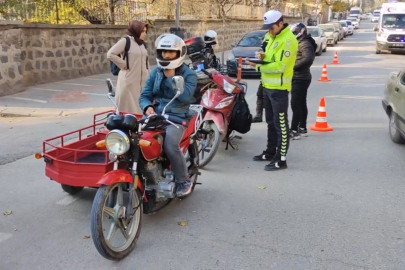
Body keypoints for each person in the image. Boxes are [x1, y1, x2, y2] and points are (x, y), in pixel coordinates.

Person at [139, 34, 197, 197]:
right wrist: (147, 107)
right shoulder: (155, 72)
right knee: (133, 137)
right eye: (163, 52)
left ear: (179, 53)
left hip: (177, 117)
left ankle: (183, 180)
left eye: (170, 52)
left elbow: (185, 97)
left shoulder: (188, 74)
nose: (166, 55)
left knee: (170, 145)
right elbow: (144, 95)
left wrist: (172, 77)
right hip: (156, 115)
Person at [245, 10, 298, 171]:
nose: (269, 30)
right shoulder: (270, 36)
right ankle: (269, 152)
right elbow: (269, 58)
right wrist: (261, 56)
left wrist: (258, 65)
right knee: (270, 122)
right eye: (267, 27)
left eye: (272, 27)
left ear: (281, 23)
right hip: (267, 86)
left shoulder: (289, 40)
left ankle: (281, 159)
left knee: (280, 124)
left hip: (279, 89)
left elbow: (280, 66)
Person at [107, 20, 149, 114]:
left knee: (141, 107)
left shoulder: (142, 44)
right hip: (129, 81)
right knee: (128, 109)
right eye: (142, 31)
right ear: (136, 30)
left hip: (142, 82)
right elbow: (110, 54)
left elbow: (146, 61)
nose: (145, 34)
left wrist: (149, 75)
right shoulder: (126, 41)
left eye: (145, 31)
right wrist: (124, 65)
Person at [289, 23, 317, 140]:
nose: (294, 34)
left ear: (301, 31)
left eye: (295, 32)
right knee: (301, 103)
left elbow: (308, 59)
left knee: (295, 104)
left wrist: (293, 66)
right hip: (300, 77)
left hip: (300, 77)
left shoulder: (305, 43)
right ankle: (302, 128)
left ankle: (294, 130)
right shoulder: (300, 42)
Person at [252, 32, 271, 123]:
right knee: (260, 95)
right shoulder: (267, 35)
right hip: (264, 78)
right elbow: (263, 48)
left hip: (273, 79)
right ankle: (259, 115)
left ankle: (271, 118)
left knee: (269, 99)